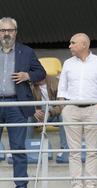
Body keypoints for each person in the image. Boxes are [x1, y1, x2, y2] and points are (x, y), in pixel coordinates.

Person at [57, 33, 97, 188]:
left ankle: (90, 184)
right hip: (71, 109)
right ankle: (76, 184)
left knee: (92, 150)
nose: (69, 46)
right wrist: (63, 108)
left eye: (72, 43)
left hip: (93, 109)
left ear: (84, 45)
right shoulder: (67, 63)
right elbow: (62, 89)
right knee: (73, 151)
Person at [0, 17, 46, 188]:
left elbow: (41, 72)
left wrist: (28, 76)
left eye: (9, 30)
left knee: (18, 148)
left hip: (17, 106)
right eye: (3, 30)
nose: (6, 34)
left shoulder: (26, 52)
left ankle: (21, 186)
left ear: (16, 32)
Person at [27, 75, 67, 150]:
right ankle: (26, 147)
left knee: (64, 117)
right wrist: (33, 111)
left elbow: (61, 105)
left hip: (53, 114)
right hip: (39, 115)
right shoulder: (30, 85)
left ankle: (64, 148)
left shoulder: (56, 83)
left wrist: (49, 113)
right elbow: (26, 102)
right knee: (29, 118)